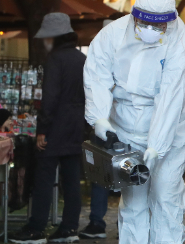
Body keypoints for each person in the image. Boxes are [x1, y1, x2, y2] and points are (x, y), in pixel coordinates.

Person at [84, 0, 185, 244]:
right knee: (133, 201)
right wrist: (99, 117)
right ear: (134, 16)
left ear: (169, 22)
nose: (149, 29)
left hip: (172, 129)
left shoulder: (178, 40)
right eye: (144, 22)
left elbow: (171, 96)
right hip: (125, 126)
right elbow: (96, 74)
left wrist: (157, 145)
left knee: (164, 195)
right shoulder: (112, 34)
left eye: (157, 25)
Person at [9, 13, 86, 243]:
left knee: (43, 178)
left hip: (54, 128)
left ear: (54, 36)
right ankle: (70, 228)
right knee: (72, 180)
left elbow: (50, 98)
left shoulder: (55, 59)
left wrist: (42, 130)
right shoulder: (81, 59)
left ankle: (36, 229)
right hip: (76, 127)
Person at [79, 20, 114, 240]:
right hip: (118, 124)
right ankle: (127, 224)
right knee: (124, 176)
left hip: (104, 123)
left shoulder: (100, 55)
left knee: (101, 175)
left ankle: (97, 222)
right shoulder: (131, 55)